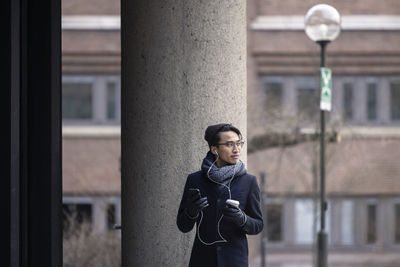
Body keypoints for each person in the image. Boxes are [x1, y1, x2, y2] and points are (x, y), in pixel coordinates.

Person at [177, 123, 263, 267]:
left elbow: (258, 225)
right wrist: (191, 212)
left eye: (238, 143)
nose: (237, 149)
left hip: (234, 261)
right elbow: (183, 226)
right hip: (202, 260)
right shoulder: (195, 180)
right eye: (230, 144)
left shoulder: (249, 181)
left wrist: (241, 218)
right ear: (214, 149)